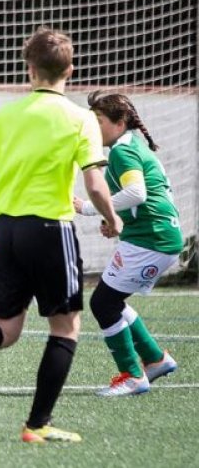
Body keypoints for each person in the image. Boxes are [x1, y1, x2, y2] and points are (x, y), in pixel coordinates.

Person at [0, 27, 121, 443]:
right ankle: (36, 425)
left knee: (3, 332)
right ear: (70, 70)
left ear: (29, 68)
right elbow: (94, 185)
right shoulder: (80, 119)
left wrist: (16, 180)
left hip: (6, 230)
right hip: (50, 229)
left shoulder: (7, 114)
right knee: (65, 328)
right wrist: (113, 219)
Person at [75, 91, 181, 396]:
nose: (94, 129)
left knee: (103, 303)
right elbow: (140, 200)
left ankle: (133, 376)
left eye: (99, 121)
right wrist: (118, 221)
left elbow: (137, 194)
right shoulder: (129, 145)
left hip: (153, 240)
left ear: (120, 123)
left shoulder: (122, 151)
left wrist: (87, 208)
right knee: (111, 301)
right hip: (151, 236)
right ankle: (155, 359)